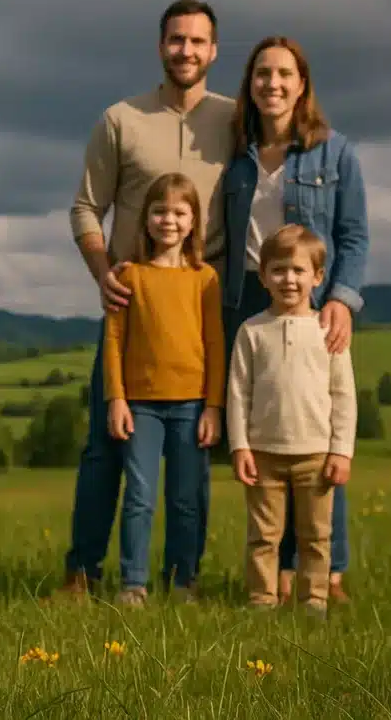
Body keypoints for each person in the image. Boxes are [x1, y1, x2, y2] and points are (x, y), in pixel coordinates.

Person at [59, 0, 235, 599]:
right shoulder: (121, 120)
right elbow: (86, 205)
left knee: (198, 465)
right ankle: (83, 573)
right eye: (175, 39)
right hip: (131, 307)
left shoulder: (235, 121)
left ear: (214, 51)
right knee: (105, 450)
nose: (185, 50)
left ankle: (188, 580)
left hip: (205, 302)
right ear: (160, 46)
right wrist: (102, 269)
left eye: (197, 41)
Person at [218, 35, 369, 604]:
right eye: (262, 74)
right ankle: (276, 579)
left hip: (315, 302)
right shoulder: (236, 158)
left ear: (302, 84)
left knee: (320, 435)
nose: (272, 84)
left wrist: (342, 299)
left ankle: (327, 576)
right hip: (250, 302)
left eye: (284, 74)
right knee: (272, 435)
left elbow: (353, 235)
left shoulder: (336, 154)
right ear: (249, 84)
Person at [101, 172, 225, 605]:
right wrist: (116, 398)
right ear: (145, 218)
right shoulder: (129, 275)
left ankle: (183, 582)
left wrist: (213, 406)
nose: (168, 220)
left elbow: (215, 343)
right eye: (159, 211)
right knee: (138, 497)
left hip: (192, 405)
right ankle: (133, 583)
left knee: (187, 499)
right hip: (141, 406)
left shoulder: (205, 278)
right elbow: (113, 340)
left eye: (178, 212)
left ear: (193, 221)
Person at [226, 223, 357, 615]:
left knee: (316, 535)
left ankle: (314, 599)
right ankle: (262, 598)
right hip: (263, 452)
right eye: (279, 270)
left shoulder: (328, 331)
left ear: (318, 277)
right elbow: (237, 393)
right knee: (263, 535)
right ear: (263, 276)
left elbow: (343, 396)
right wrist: (239, 446)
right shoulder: (251, 331)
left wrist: (342, 452)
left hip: (316, 454)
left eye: (299, 271)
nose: (289, 279)